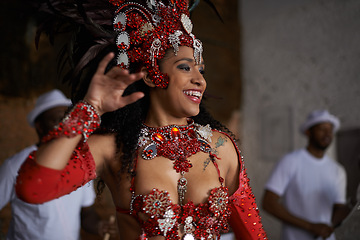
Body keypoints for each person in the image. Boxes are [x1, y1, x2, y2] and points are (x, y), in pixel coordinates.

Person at [14, 1, 268, 239]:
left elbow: (253, 234)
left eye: (200, 70)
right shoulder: (114, 148)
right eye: (184, 67)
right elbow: (33, 188)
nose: (200, 80)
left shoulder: (221, 147)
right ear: (150, 76)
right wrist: (91, 108)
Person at [0, 89, 117, 240]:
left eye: (66, 118)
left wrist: (99, 226)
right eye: (56, 120)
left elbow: (86, 213)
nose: (63, 125)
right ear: (39, 127)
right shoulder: (14, 166)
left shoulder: (79, 162)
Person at [262, 109, 349, 240]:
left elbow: (338, 210)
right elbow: (268, 203)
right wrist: (310, 226)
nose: (327, 134)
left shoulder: (338, 170)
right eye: (322, 129)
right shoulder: (291, 161)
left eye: (330, 130)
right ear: (309, 132)